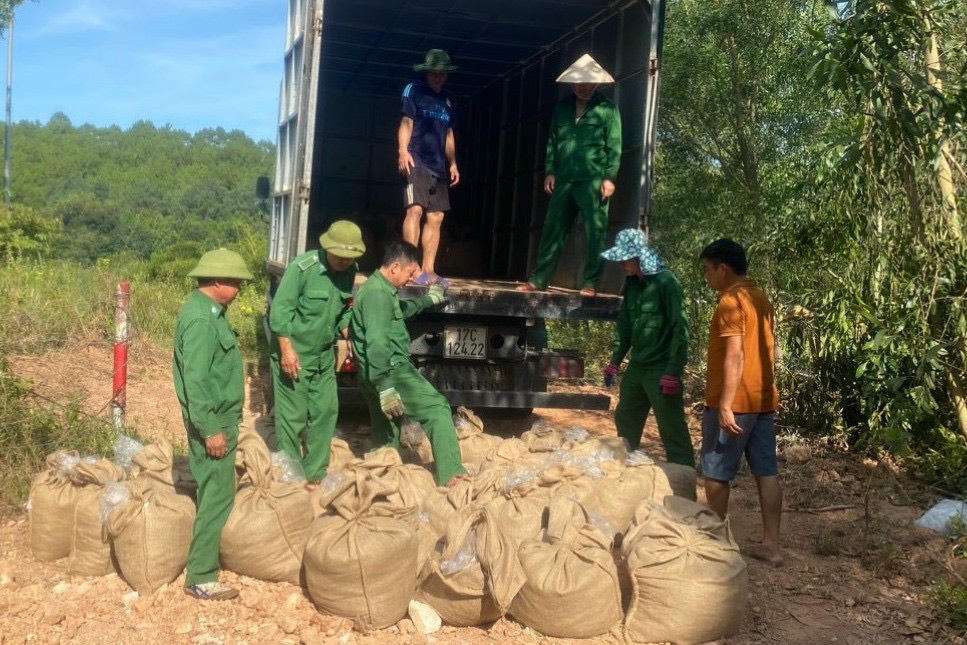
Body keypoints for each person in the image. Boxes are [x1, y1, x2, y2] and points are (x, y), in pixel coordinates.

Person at [350, 240, 467, 486]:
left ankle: (381, 475)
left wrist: (429, 299)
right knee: (437, 408)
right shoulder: (378, 295)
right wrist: (385, 387)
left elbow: (400, 311)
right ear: (395, 267)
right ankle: (452, 474)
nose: (412, 279)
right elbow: (377, 345)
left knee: (387, 429)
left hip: (374, 372)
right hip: (390, 371)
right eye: (410, 272)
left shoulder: (380, 289)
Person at [173, 248, 253, 600]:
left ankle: (205, 562)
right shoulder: (202, 321)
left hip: (218, 418)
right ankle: (201, 575)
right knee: (217, 496)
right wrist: (211, 430)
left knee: (215, 490)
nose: (239, 290)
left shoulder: (208, 312)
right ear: (218, 281)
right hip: (213, 421)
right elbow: (196, 381)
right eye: (236, 283)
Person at [699, 238, 783, 567]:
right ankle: (771, 546)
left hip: (736, 402)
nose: (707, 276)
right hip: (762, 399)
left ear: (723, 268)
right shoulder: (760, 298)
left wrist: (724, 404)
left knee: (716, 473)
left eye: (708, 269)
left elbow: (735, 354)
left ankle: (716, 544)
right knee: (767, 472)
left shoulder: (731, 301)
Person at [269, 220, 364, 488]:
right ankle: (290, 476)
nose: (344, 261)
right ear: (327, 248)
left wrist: (350, 335)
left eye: (349, 257)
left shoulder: (350, 271)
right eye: (339, 256)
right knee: (293, 416)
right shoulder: (303, 268)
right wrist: (286, 350)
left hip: (323, 356)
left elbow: (344, 311)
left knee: (326, 411)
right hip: (295, 354)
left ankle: (315, 474)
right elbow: (280, 312)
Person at [518, 54, 622, 297]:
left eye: (588, 83)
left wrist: (609, 177)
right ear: (572, 83)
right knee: (553, 230)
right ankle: (539, 279)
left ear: (596, 83)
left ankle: (590, 283)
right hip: (564, 178)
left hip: (593, 179)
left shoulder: (608, 109)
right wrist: (550, 171)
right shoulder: (562, 108)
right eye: (579, 83)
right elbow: (553, 142)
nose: (584, 87)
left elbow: (614, 145)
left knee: (595, 232)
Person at [601, 228, 693, 467]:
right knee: (625, 417)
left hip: (661, 368)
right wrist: (615, 362)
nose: (621, 263)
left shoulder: (666, 283)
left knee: (671, 428)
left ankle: (684, 481)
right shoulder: (632, 283)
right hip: (638, 366)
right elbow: (625, 326)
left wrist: (673, 372)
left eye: (625, 258)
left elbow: (680, 330)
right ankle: (623, 471)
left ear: (639, 256)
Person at [398, 48, 460, 288]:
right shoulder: (413, 90)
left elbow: (449, 134)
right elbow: (406, 122)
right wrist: (402, 151)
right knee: (415, 210)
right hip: (416, 160)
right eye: (434, 73)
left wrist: (453, 163)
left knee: (437, 216)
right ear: (426, 72)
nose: (438, 78)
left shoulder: (448, 99)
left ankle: (428, 270)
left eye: (442, 74)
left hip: (438, 166)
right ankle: (410, 268)